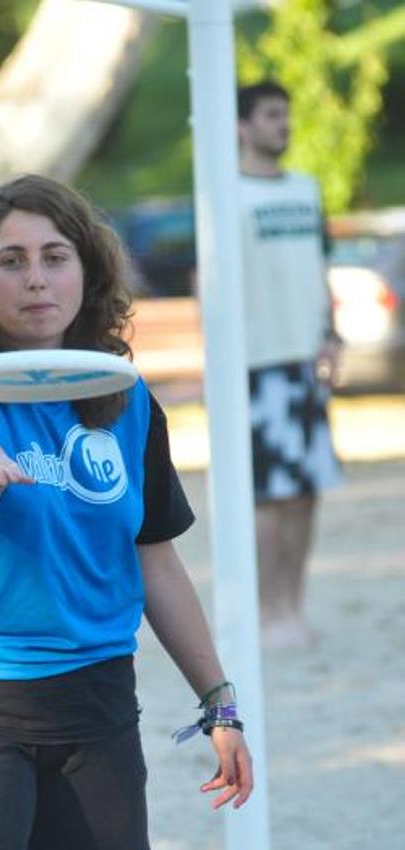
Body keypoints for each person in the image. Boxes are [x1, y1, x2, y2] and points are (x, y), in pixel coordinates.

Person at [0, 174, 253, 850]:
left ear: (87, 269)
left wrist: (218, 701)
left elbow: (153, 558)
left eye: (54, 256)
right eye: (10, 261)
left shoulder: (125, 397)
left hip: (91, 695)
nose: (35, 279)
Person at [236, 80, 343, 650]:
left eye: (286, 114)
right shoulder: (226, 193)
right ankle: (264, 613)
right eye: (272, 115)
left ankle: (292, 608)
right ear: (243, 125)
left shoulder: (305, 188)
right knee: (268, 497)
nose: (284, 124)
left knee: (306, 493)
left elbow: (319, 269)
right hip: (256, 366)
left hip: (306, 364)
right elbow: (213, 284)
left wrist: (332, 334)